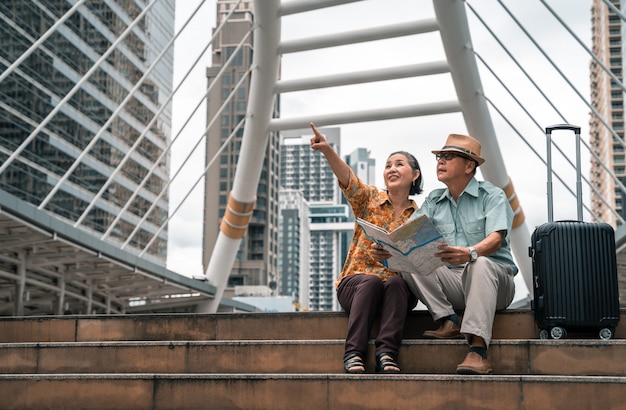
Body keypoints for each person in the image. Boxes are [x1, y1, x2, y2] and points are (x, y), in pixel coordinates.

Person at [371, 133, 517, 375]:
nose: (440, 161)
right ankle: (449, 318)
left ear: (469, 166)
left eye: (448, 157)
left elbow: (496, 239)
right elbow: (405, 236)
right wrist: (386, 250)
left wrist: (470, 253)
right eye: (440, 157)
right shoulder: (434, 200)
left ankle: (478, 351)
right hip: (452, 285)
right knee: (407, 254)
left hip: (494, 283)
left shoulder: (492, 195)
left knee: (479, 263)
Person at [309, 122, 421, 374]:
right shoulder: (369, 199)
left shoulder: (420, 217)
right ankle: (353, 354)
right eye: (388, 165)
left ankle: (386, 355)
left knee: (396, 284)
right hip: (356, 286)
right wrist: (327, 150)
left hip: (397, 292)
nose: (392, 169)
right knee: (370, 281)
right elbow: (347, 178)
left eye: (399, 164)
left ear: (415, 175)